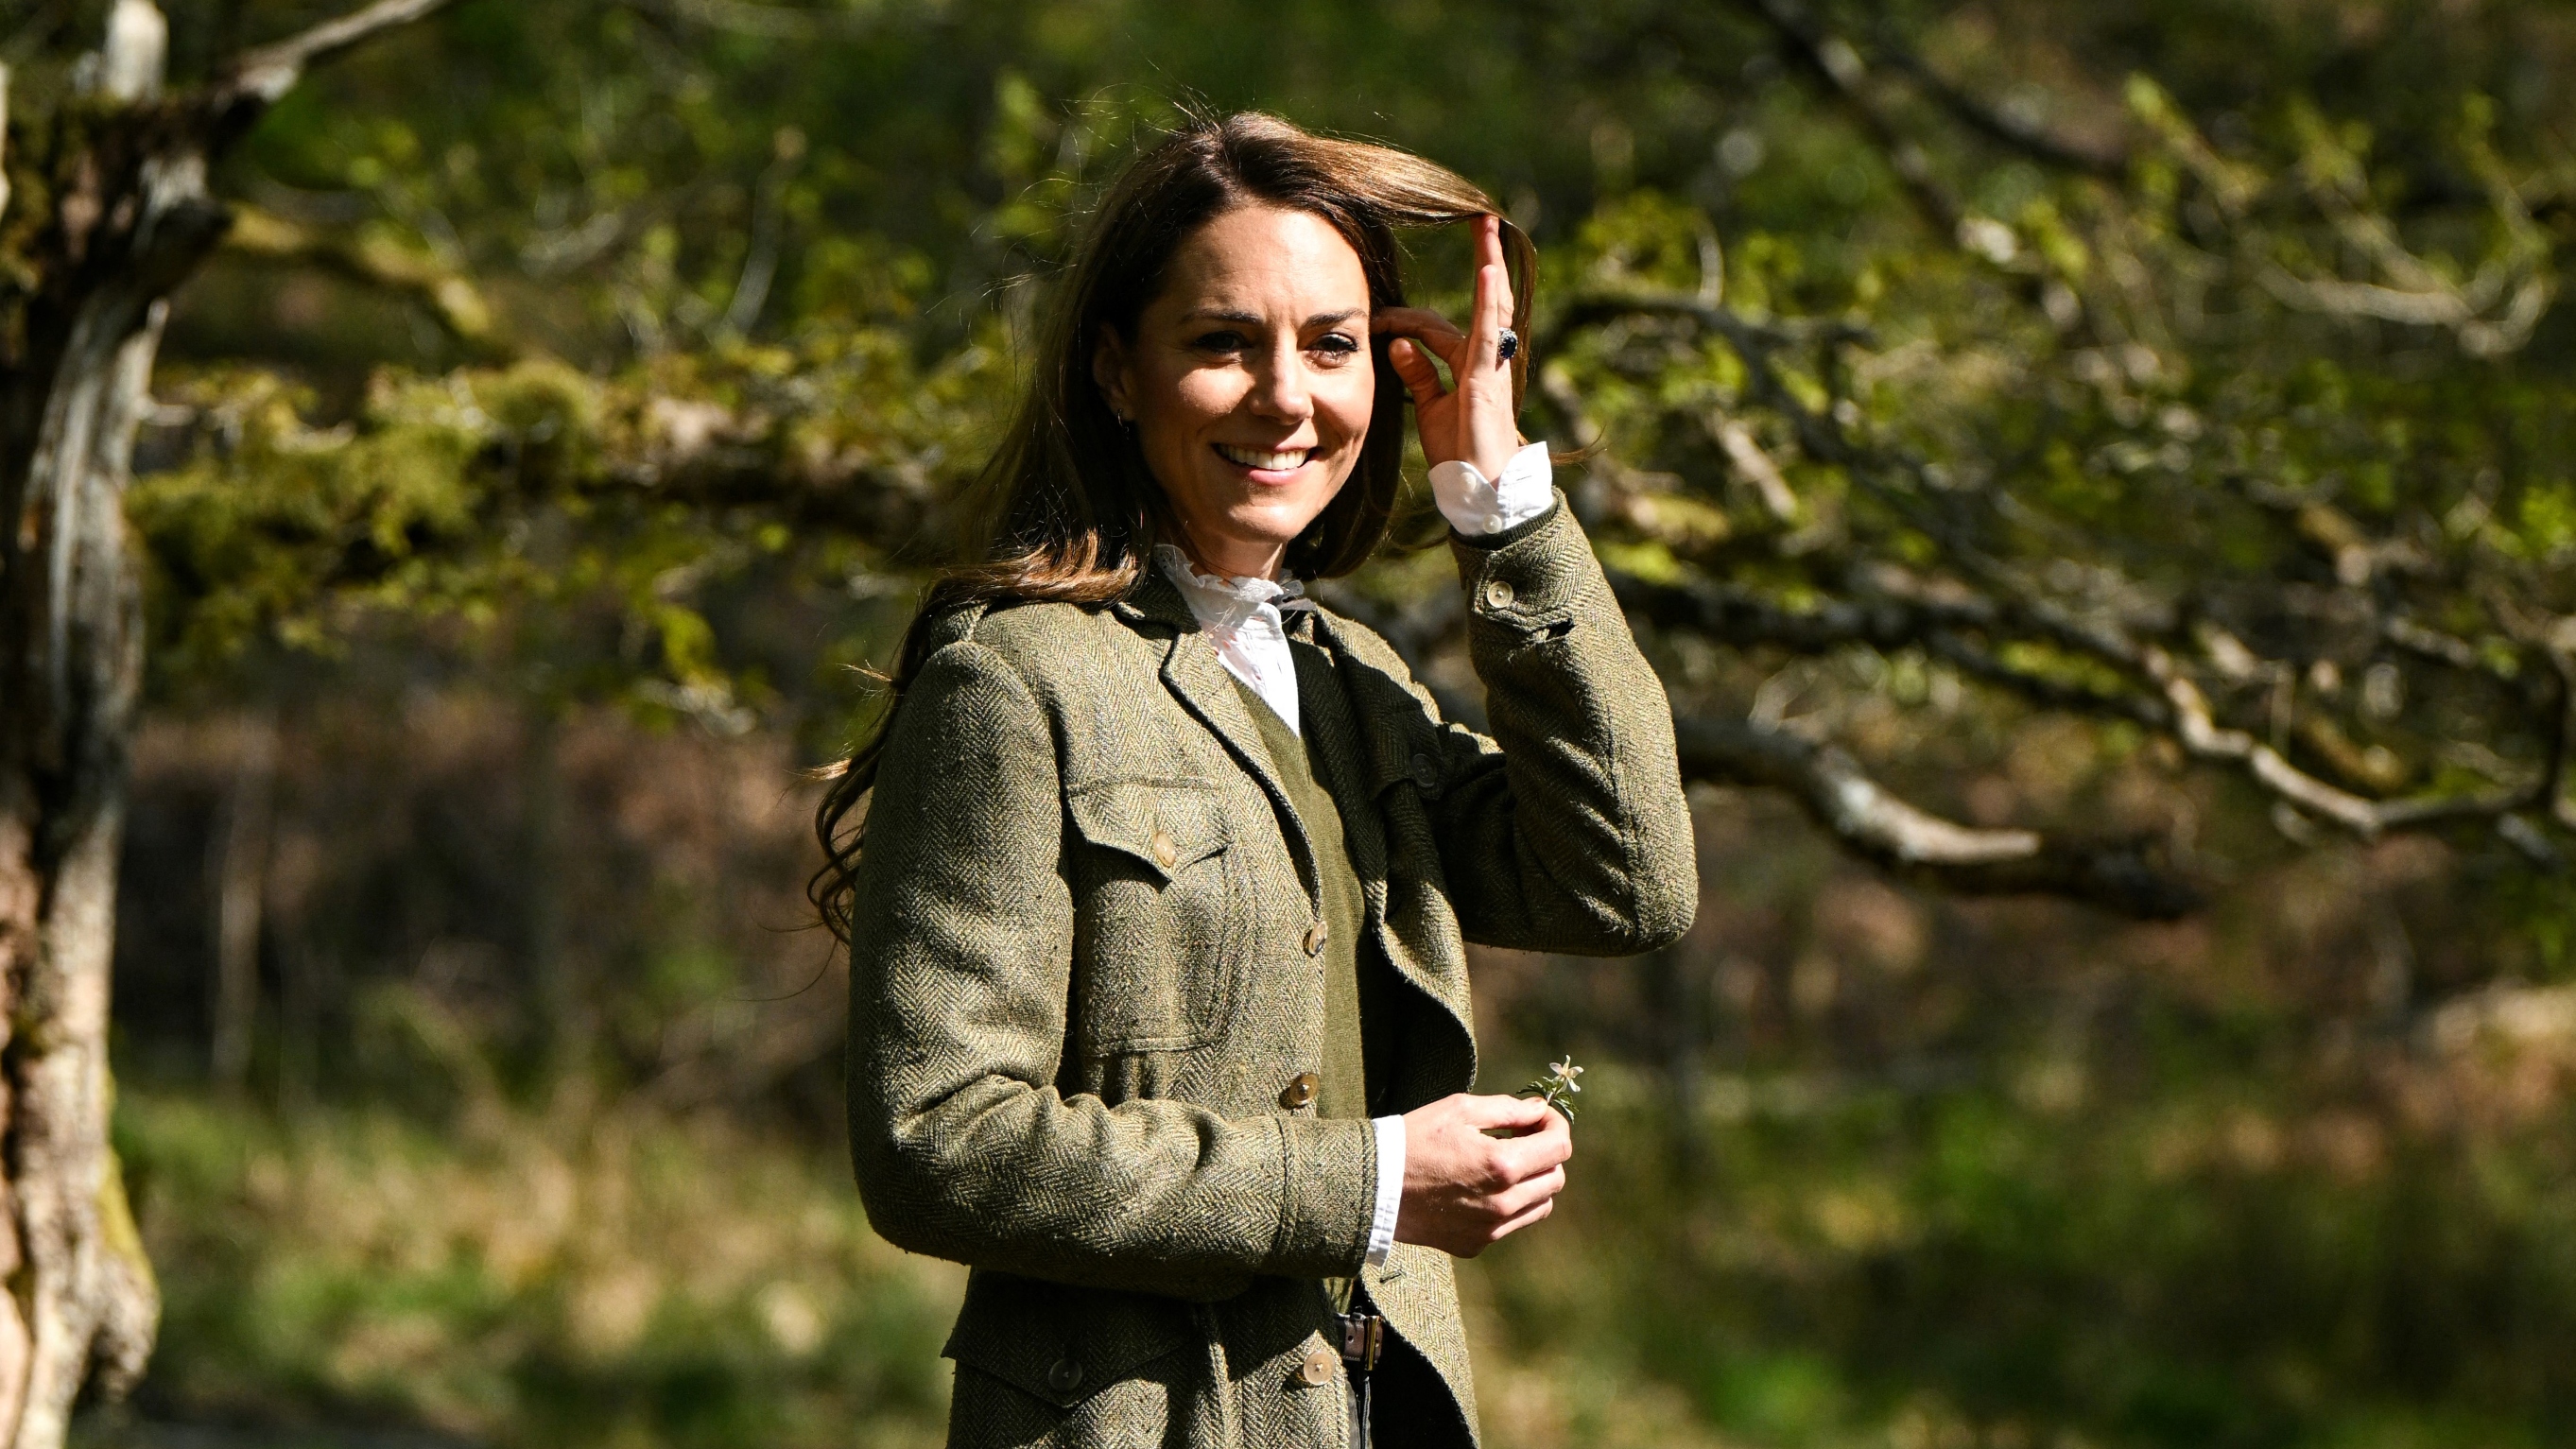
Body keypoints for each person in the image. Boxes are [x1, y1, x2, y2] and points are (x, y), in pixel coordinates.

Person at [814, 111, 1696, 1449]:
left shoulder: (1353, 676)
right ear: (1117, 369)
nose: (1288, 396)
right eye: (1224, 343)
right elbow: (939, 1139)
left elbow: (1626, 882)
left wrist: (1500, 503)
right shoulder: (1013, 683)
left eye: (1332, 344)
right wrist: (1374, 1179)